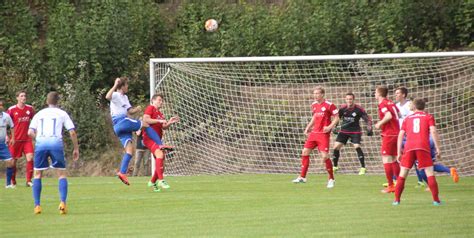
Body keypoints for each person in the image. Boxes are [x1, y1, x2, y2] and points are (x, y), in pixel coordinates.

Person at [106, 77, 171, 186]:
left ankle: (122, 172)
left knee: (129, 151)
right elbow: (107, 96)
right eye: (126, 85)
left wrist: (136, 109)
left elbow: (129, 111)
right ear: (121, 86)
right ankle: (160, 145)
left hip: (119, 128)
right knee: (146, 125)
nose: (128, 87)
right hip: (121, 121)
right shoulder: (116, 94)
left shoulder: (125, 97)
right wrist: (115, 84)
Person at [28, 91, 79, 214]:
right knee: (61, 174)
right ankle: (62, 203)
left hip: (41, 144)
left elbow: (29, 132)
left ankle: (37, 206)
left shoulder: (39, 113)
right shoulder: (62, 113)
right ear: (58, 101)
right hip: (55, 144)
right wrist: (76, 148)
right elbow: (72, 132)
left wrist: (38, 139)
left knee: (37, 175)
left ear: (47, 101)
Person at [393, 98, 442, 206]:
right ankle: (436, 201)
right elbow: (433, 131)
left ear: (414, 107)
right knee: (429, 173)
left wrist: (398, 152)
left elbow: (400, 134)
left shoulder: (407, 118)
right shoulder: (428, 117)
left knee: (403, 174)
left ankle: (396, 200)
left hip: (409, 147)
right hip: (423, 147)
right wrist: (438, 147)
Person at [292, 87, 339, 188]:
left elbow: (336, 118)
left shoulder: (330, 105)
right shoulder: (314, 104)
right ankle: (302, 177)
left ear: (322, 94)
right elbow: (314, 117)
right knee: (305, 152)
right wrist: (308, 127)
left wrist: (330, 127)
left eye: (317, 93)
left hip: (323, 134)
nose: (315, 95)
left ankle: (331, 179)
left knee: (325, 156)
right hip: (314, 133)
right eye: (314, 93)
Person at [143, 94, 179, 192]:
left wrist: (170, 122)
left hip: (157, 139)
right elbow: (146, 119)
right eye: (159, 100)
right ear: (153, 101)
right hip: (149, 138)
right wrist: (159, 120)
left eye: (161, 100)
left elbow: (163, 127)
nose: (161, 102)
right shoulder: (150, 108)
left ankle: (153, 181)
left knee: (162, 161)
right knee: (160, 154)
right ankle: (161, 180)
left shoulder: (160, 113)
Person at [332, 92, 373, 175]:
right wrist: (335, 127)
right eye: (347, 99)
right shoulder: (342, 108)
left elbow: (367, 119)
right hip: (344, 131)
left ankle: (363, 168)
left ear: (353, 99)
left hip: (355, 131)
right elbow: (337, 118)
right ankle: (335, 166)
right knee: (336, 147)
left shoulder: (359, 109)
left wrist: (369, 128)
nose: (349, 101)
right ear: (345, 99)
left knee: (357, 146)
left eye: (350, 99)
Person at [374, 86, 400, 193]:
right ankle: (398, 183)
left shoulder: (382, 103)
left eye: (375, 92)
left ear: (379, 94)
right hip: (396, 133)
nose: (374, 94)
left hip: (389, 134)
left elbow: (389, 116)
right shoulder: (391, 103)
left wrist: (380, 123)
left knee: (386, 159)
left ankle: (391, 185)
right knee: (394, 159)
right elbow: (397, 114)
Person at [7, 90, 35, 187]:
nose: (23, 97)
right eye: (21, 96)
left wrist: (35, 132)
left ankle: (28, 181)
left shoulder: (30, 109)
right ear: (17, 98)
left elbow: (35, 121)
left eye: (25, 96)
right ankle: (13, 181)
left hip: (27, 139)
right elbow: (4, 123)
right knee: (13, 162)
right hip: (15, 140)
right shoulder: (11, 110)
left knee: (30, 157)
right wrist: (7, 136)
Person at [0, 100, 16, 188]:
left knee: (11, 162)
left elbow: (12, 126)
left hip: (2, 144)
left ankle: (8, 184)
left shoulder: (6, 116)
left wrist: (13, 137)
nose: (1, 107)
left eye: (2, 105)